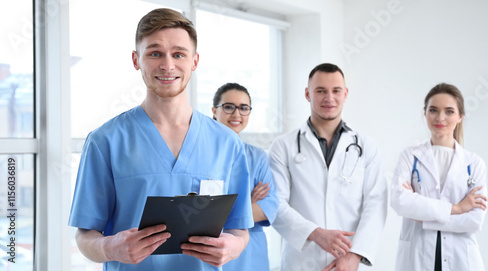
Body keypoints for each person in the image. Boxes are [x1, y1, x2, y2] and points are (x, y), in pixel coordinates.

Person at [68, 8, 253, 271]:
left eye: (179, 54)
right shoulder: (105, 141)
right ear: (136, 59)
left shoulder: (227, 143)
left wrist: (234, 247)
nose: (167, 65)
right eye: (155, 53)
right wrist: (112, 248)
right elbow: (85, 237)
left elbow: (239, 229)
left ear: (195, 61)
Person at [268, 63, 387, 271]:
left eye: (336, 91)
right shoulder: (283, 146)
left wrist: (354, 255)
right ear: (307, 94)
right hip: (300, 261)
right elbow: (275, 204)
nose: (329, 98)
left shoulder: (366, 146)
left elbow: (376, 203)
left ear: (345, 94)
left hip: (348, 262)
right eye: (320, 91)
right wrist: (315, 233)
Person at [391, 83, 488, 271]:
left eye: (449, 111)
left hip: (461, 259)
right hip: (416, 256)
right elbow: (400, 201)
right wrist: (457, 208)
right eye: (433, 110)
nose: (440, 118)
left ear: (460, 116)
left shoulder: (474, 163)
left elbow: (474, 221)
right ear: (425, 114)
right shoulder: (410, 156)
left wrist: (421, 214)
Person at [211, 82, 279, 271]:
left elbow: (270, 207)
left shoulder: (257, 157)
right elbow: (193, 211)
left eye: (244, 108)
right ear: (214, 111)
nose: (236, 114)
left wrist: (218, 211)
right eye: (228, 107)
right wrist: (247, 205)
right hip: (209, 250)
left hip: (251, 255)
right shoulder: (198, 156)